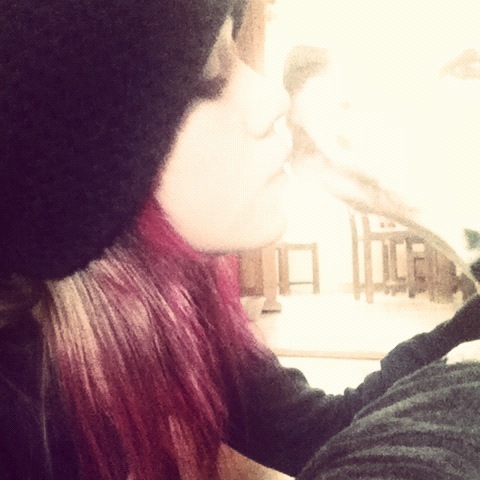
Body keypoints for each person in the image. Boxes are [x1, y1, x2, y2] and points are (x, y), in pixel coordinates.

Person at [1, 1, 479, 479]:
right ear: (73, 154)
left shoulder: (187, 311)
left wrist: (438, 216)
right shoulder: (16, 411)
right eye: (207, 79)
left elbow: (321, 431)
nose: (275, 98)